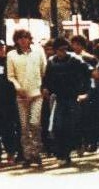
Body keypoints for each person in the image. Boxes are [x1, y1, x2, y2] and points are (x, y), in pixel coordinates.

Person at [42, 38, 92, 167]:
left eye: (65, 49)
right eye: (60, 49)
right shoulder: (51, 62)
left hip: (73, 98)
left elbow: (88, 74)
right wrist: (45, 88)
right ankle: (61, 154)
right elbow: (46, 79)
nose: (62, 52)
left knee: (71, 127)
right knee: (58, 127)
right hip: (59, 98)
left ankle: (69, 152)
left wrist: (85, 93)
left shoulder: (75, 60)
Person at [7, 30, 47, 168]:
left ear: (30, 39)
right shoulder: (11, 54)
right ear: (16, 40)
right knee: (24, 127)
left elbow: (44, 70)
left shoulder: (38, 51)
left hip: (37, 93)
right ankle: (28, 155)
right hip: (21, 96)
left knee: (35, 123)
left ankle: (37, 152)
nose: (23, 40)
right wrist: (18, 88)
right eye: (20, 38)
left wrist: (43, 87)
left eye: (26, 37)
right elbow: (11, 75)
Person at [0, 40, 18, 166]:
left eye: (2, 47)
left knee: (8, 128)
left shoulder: (9, 62)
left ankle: (11, 153)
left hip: (8, 101)